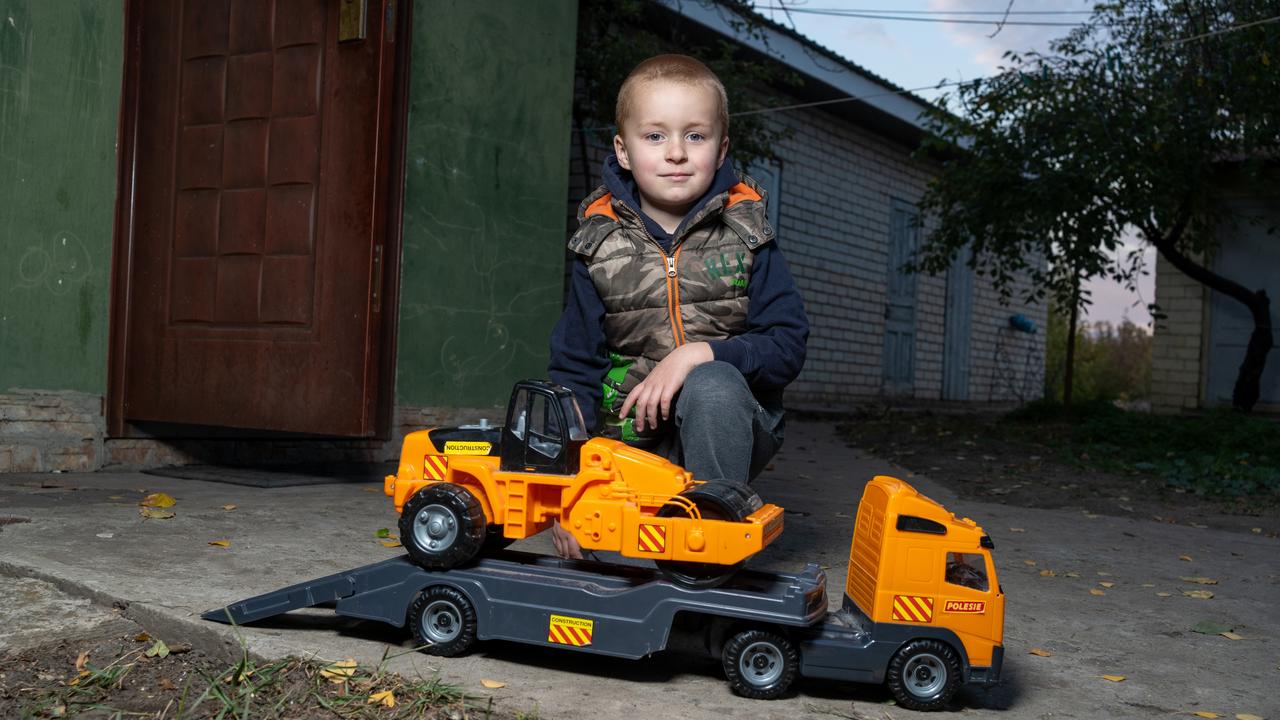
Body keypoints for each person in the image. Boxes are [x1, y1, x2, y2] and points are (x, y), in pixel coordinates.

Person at [547, 54, 808, 559]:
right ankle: (653, 525)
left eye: (695, 136)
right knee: (605, 550)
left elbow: (788, 345)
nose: (676, 154)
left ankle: (716, 531)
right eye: (654, 136)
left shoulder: (747, 233)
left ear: (721, 147)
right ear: (623, 150)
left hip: (730, 424)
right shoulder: (596, 246)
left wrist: (698, 355)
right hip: (631, 434)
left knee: (711, 384)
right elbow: (573, 371)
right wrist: (568, 497)